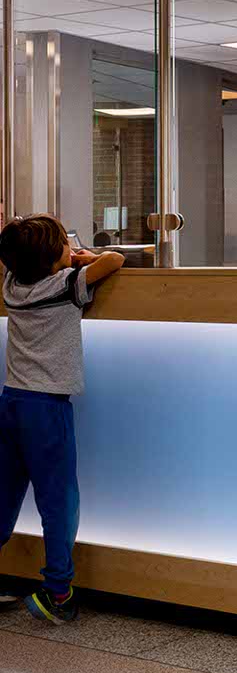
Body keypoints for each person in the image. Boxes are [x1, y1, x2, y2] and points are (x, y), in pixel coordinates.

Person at [0, 213, 124, 623]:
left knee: (4, 496)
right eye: (65, 245)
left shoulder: (12, 286)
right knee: (58, 502)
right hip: (47, 409)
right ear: (57, 258)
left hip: (12, 401)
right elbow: (115, 260)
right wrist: (81, 261)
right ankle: (58, 591)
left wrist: (65, 257)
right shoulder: (67, 285)